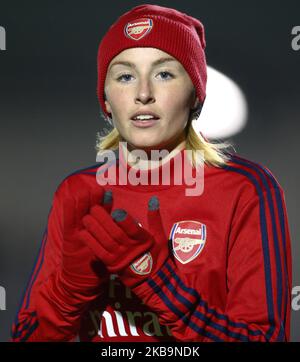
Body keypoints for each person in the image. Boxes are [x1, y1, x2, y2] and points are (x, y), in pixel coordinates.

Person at [11, 4, 292, 342]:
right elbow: (25, 336)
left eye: (164, 74)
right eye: (125, 76)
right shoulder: (78, 193)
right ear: (106, 98)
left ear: (195, 94)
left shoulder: (247, 189)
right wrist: (68, 290)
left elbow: (263, 338)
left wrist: (158, 281)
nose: (143, 94)